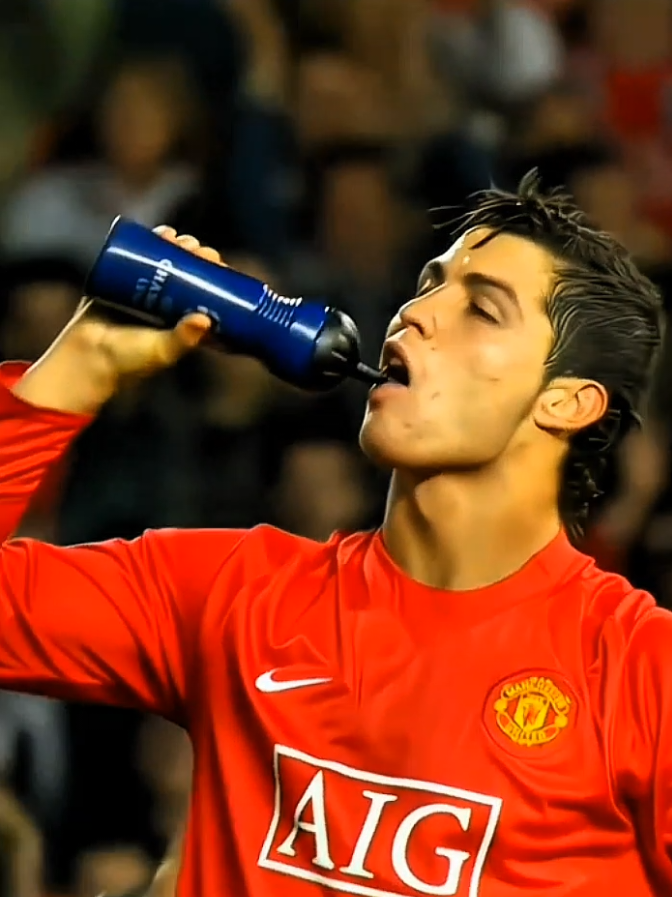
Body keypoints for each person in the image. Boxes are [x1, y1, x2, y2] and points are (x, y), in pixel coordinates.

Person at [0, 170, 668, 896]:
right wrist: (77, 370)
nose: (416, 312)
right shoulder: (235, 593)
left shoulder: (637, 671)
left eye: (481, 309)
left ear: (567, 401)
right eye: (428, 282)